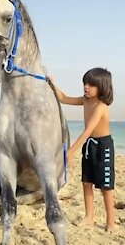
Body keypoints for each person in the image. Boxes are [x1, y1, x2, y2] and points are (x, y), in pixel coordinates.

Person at [48, 68, 115, 232]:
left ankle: (111, 222)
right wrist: (52, 83)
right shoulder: (85, 101)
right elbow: (64, 98)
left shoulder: (101, 106)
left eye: (91, 84)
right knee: (87, 182)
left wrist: (71, 151)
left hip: (103, 147)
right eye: (85, 83)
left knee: (106, 187)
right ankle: (89, 217)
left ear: (102, 86)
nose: (86, 87)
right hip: (89, 146)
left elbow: (87, 130)